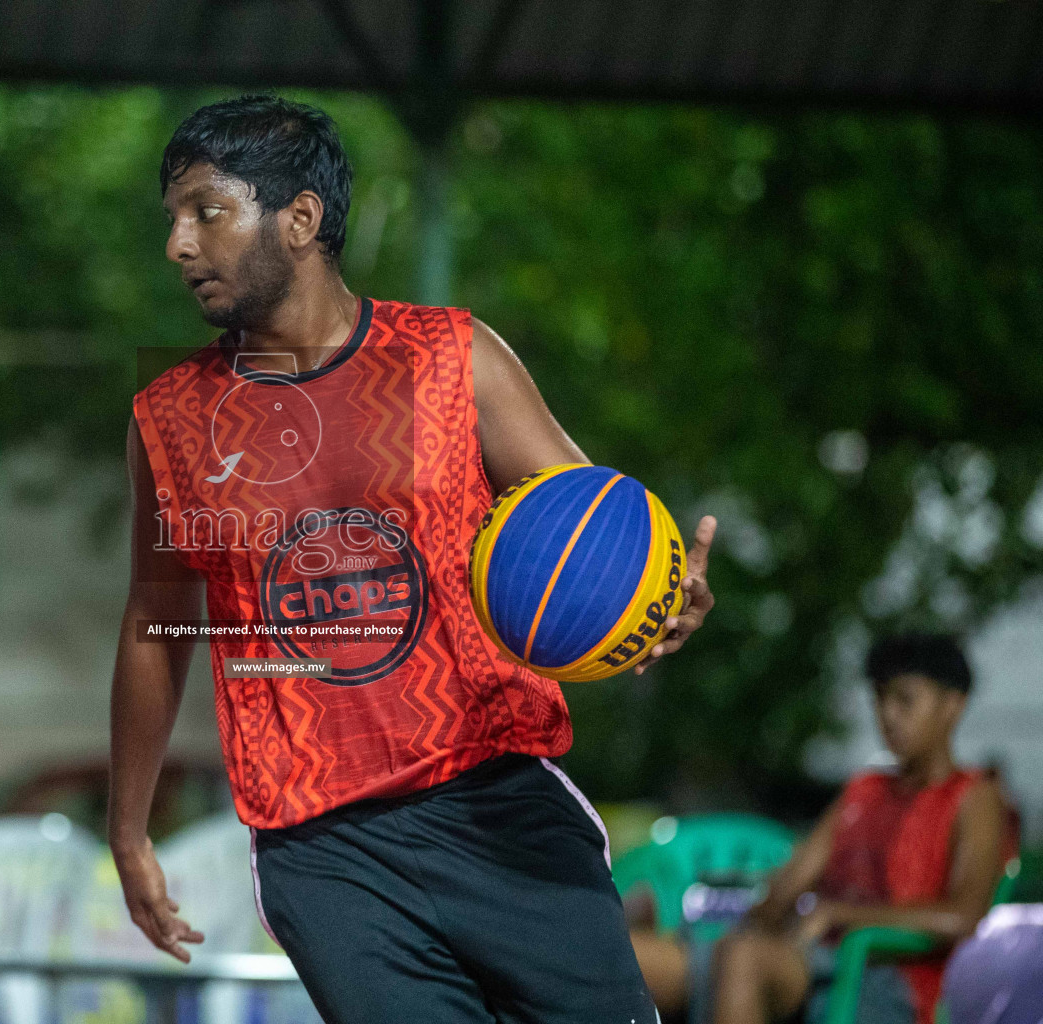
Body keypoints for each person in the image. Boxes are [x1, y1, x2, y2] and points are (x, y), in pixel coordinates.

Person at [107, 94, 717, 1024]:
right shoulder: (170, 422)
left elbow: (595, 534)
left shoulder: (452, 358)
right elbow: (157, 629)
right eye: (174, 220)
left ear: (300, 218)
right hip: (324, 848)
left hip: (496, 797)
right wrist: (128, 828)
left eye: (207, 212)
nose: (179, 245)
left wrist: (664, 594)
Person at [630, 632, 1014, 1024]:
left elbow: (962, 918)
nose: (889, 715)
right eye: (880, 698)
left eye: (905, 699)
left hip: (889, 979)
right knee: (626, 954)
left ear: (953, 705)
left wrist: (840, 915)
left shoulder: (973, 796)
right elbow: (792, 882)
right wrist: (739, 904)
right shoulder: (865, 790)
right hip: (806, 958)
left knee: (743, 959)